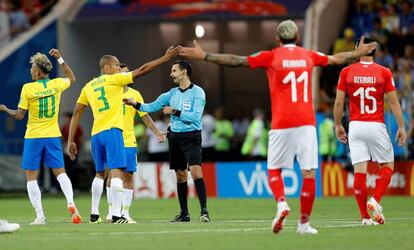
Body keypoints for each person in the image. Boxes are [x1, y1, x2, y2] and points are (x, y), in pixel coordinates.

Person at [179, 19, 377, 234]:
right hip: (306, 122)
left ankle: (282, 202)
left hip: (282, 122)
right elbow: (336, 58)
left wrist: (205, 55)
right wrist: (357, 54)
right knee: (308, 173)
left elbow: (237, 60)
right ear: (298, 37)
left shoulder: (271, 56)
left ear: (277, 39)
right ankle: (304, 223)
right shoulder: (308, 55)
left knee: (274, 169)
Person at [67, 46, 181, 224]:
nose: (118, 69)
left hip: (96, 133)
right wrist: (165, 58)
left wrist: (70, 141)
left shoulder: (88, 86)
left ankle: (94, 213)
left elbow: (76, 114)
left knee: (99, 172)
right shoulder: (115, 80)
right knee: (117, 172)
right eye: (116, 65)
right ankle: (116, 214)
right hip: (113, 131)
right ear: (106, 67)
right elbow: (144, 69)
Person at [0, 49, 82, 225]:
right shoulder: (56, 84)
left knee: (31, 176)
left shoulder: (28, 88)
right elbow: (72, 77)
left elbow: (20, 115)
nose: (30, 70)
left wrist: (5, 109)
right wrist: (60, 58)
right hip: (53, 135)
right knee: (60, 172)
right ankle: (71, 203)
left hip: (34, 135)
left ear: (38, 71)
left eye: (32, 68)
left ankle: (40, 216)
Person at [124, 60, 209, 223]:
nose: (171, 74)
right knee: (180, 175)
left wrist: (175, 111)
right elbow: (151, 107)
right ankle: (184, 213)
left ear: (184, 72)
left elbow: (195, 117)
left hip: (191, 136)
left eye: (174, 70)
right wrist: (136, 104)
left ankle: (204, 211)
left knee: (196, 172)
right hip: (175, 137)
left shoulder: (198, 93)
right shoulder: (171, 93)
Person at [334, 37, 406, 226]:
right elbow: (393, 101)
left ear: (358, 48)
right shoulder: (384, 72)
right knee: (387, 166)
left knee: (360, 173)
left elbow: (340, 102)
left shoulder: (346, 71)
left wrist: (337, 125)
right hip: (376, 124)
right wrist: (401, 126)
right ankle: (374, 200)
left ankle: (364, 217)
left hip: (356, 126)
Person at [104, 63, 165, 223]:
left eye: (126, 73)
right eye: (121, 72)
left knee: (128, 176)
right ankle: (111, 211)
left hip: (129, 141)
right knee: (112, 175)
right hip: (114, 139)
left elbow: (144, 115)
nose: (124, 76)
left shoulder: (135, 95)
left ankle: (125, 213)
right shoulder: (109, 92)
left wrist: (157, 132)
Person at [61, 112, 83, 193]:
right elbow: (63, 139)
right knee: (67, 169)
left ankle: (76, 187)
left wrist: (79, 149)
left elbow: (80, 139)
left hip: (75, 150)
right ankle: (68, 188)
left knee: (74, 169)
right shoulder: (64, 127)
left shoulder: (77, 127)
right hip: (66, 151)